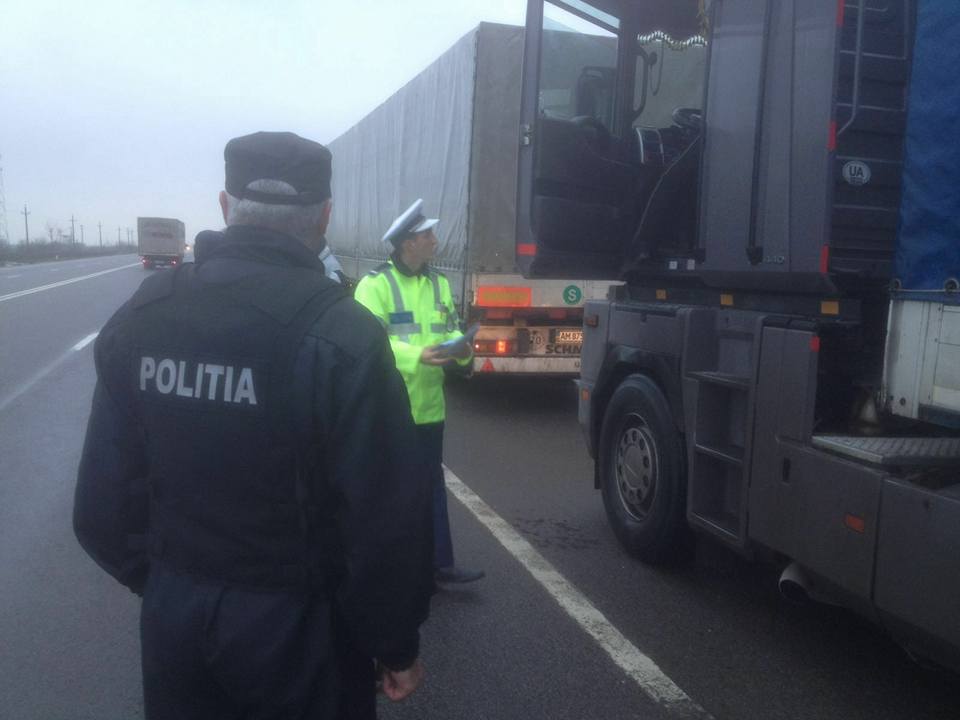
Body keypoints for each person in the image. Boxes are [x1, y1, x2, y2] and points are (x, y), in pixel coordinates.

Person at [73, 131, 432, 720]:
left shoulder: (140, 319)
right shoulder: (345, 335)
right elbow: (383, 519)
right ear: (325, 216)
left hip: (176, 621)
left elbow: (100, 509)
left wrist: (169, 584)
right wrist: (394, 644)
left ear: (224, 206)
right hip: (302, 632)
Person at [354, 199, 484, 586]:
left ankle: (439, 564)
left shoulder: (439, 283)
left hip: (429, 408)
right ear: (408, 242)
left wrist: (462, 349)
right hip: (390, 409)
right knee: (389, 490)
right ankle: (385, 568)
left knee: (430, 487)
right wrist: (416, 356)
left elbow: (449, 329)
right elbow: (367, 342)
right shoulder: (374, 285)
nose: (435, 241)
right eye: (428, 235)